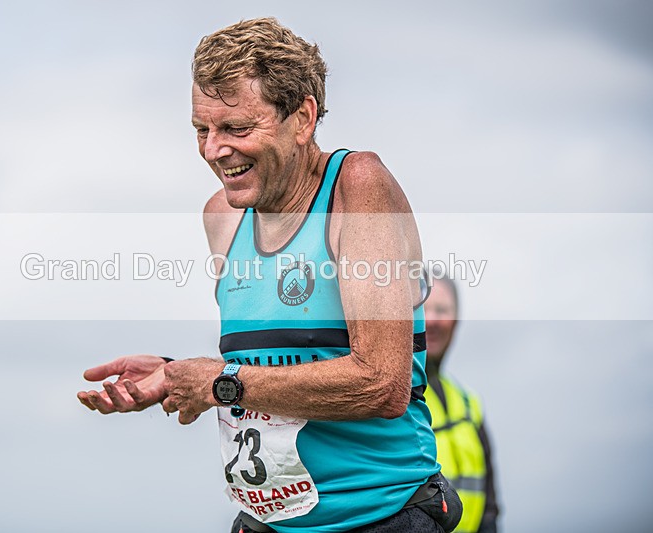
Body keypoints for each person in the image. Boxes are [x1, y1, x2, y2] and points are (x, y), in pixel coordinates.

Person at [77, 18, 460, 533]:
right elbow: (276, 366)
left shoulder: (357, 186)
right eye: (201, 129)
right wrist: (177, 375)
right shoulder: (222, 216)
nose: (214, 149)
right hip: (266, 523)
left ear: (302, 118)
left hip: (380, 518)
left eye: (236, 128)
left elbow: (382, 384)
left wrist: (220, 382)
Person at [424, 275, 499, 533]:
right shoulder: (391, 397)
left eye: (442, 310)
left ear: (456, 322)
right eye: (423, 308)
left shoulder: (469, 404)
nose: (431, 320)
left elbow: (490, 501)